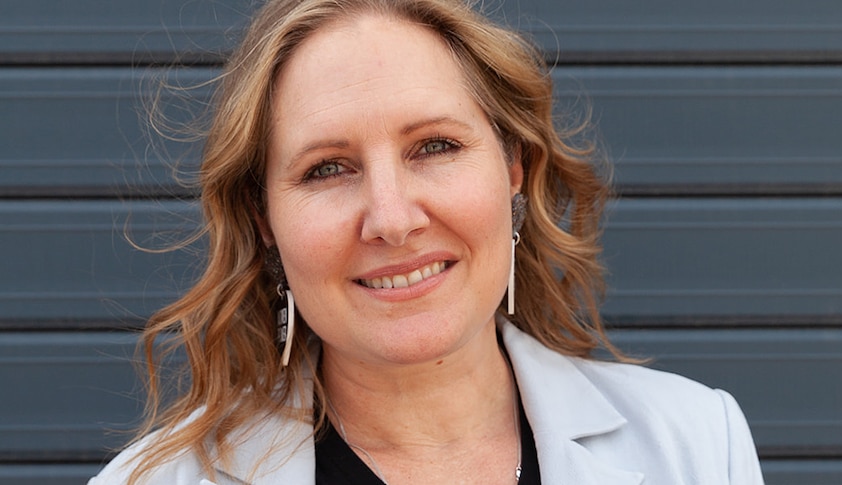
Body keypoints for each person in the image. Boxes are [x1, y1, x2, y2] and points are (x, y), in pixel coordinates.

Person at [89, 0, 765, 483]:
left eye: (434, 146)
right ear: (264, 218)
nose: (391, 217)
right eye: (327, 168)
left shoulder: (698, 442)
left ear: (512, 171)